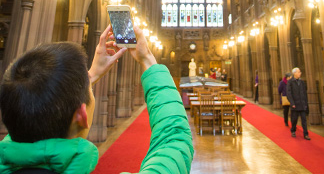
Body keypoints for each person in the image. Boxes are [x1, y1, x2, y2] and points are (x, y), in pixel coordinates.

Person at [0, 25, 194, 173]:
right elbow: (173, 139)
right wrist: (147, 59)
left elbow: (26, 119)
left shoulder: (22, 118)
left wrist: (87, 78)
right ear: (81, 116)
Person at [287, 67, 310, 140]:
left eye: (300, 72)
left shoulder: (302, 82)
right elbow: (289, 93)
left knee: (304, 120)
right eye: (298, 72)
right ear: (294, 73)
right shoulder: (290, 82)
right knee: (294, 119)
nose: (300, 73)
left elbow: (304, 93)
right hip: (295, 104)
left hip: (302, 103)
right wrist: (292, 103)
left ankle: (306, 134)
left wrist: (305, 103)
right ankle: (293, 130)